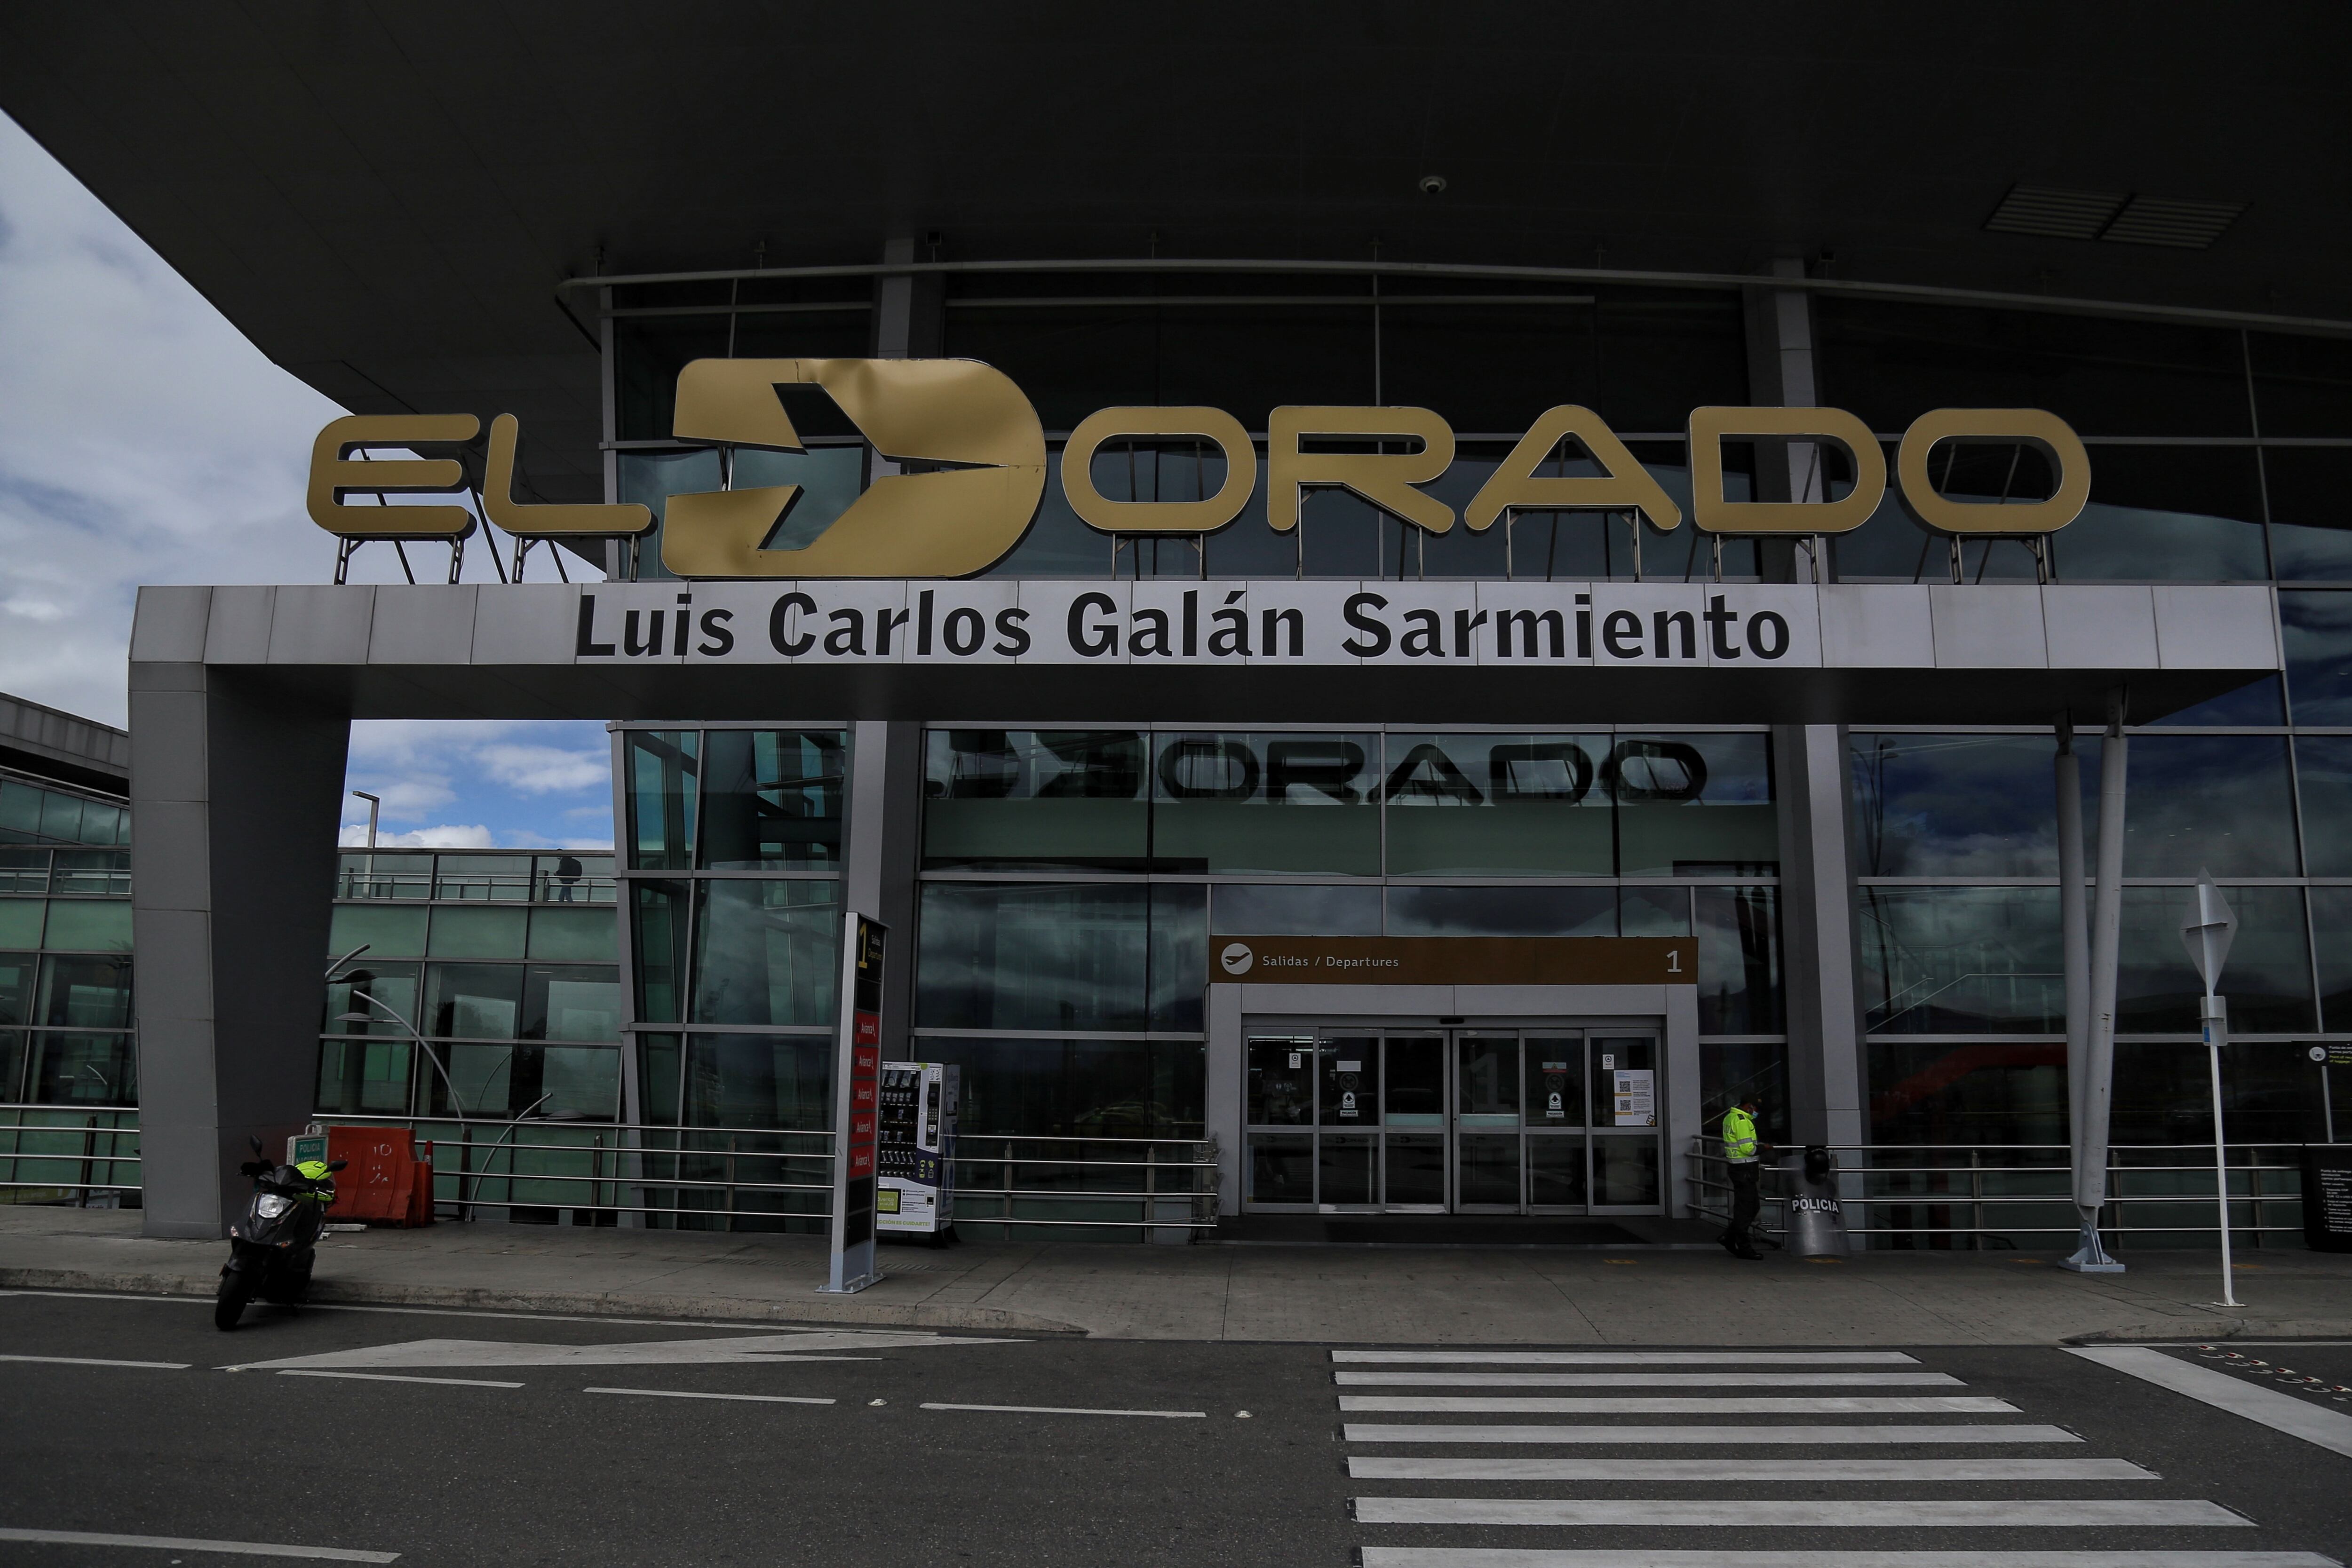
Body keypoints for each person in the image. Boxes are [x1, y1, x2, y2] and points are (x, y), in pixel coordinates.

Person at [1719, 1096, 1769, 1259]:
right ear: (1748, 1106)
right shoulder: (1742, 1121)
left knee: (1752, 1207)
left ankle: (1729, 1237)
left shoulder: (1730, 1117)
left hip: (1739, 1168)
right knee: (1746, 1210)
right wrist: (1764, 1148)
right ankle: (1744, 1247)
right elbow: (1748, 1148)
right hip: (1745, 1169)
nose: (1756, 1112)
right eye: (1754, 1108)